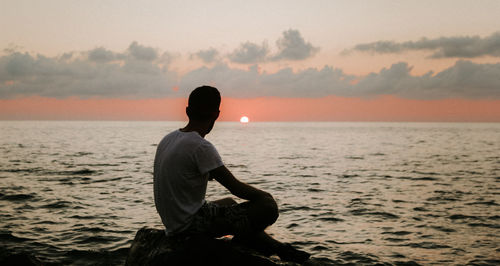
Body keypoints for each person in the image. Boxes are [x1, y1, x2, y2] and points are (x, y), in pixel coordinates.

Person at [153, 85, 310, 262]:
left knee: (229, 204)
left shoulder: (168, 139)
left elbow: (189, 173)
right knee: (267, 207)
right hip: (188, 226)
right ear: (216, 114)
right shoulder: (200, 146)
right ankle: (238, 249)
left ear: (188, 111)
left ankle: (280, 249)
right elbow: (235, 187)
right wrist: (266, 197)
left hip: (173, 222)